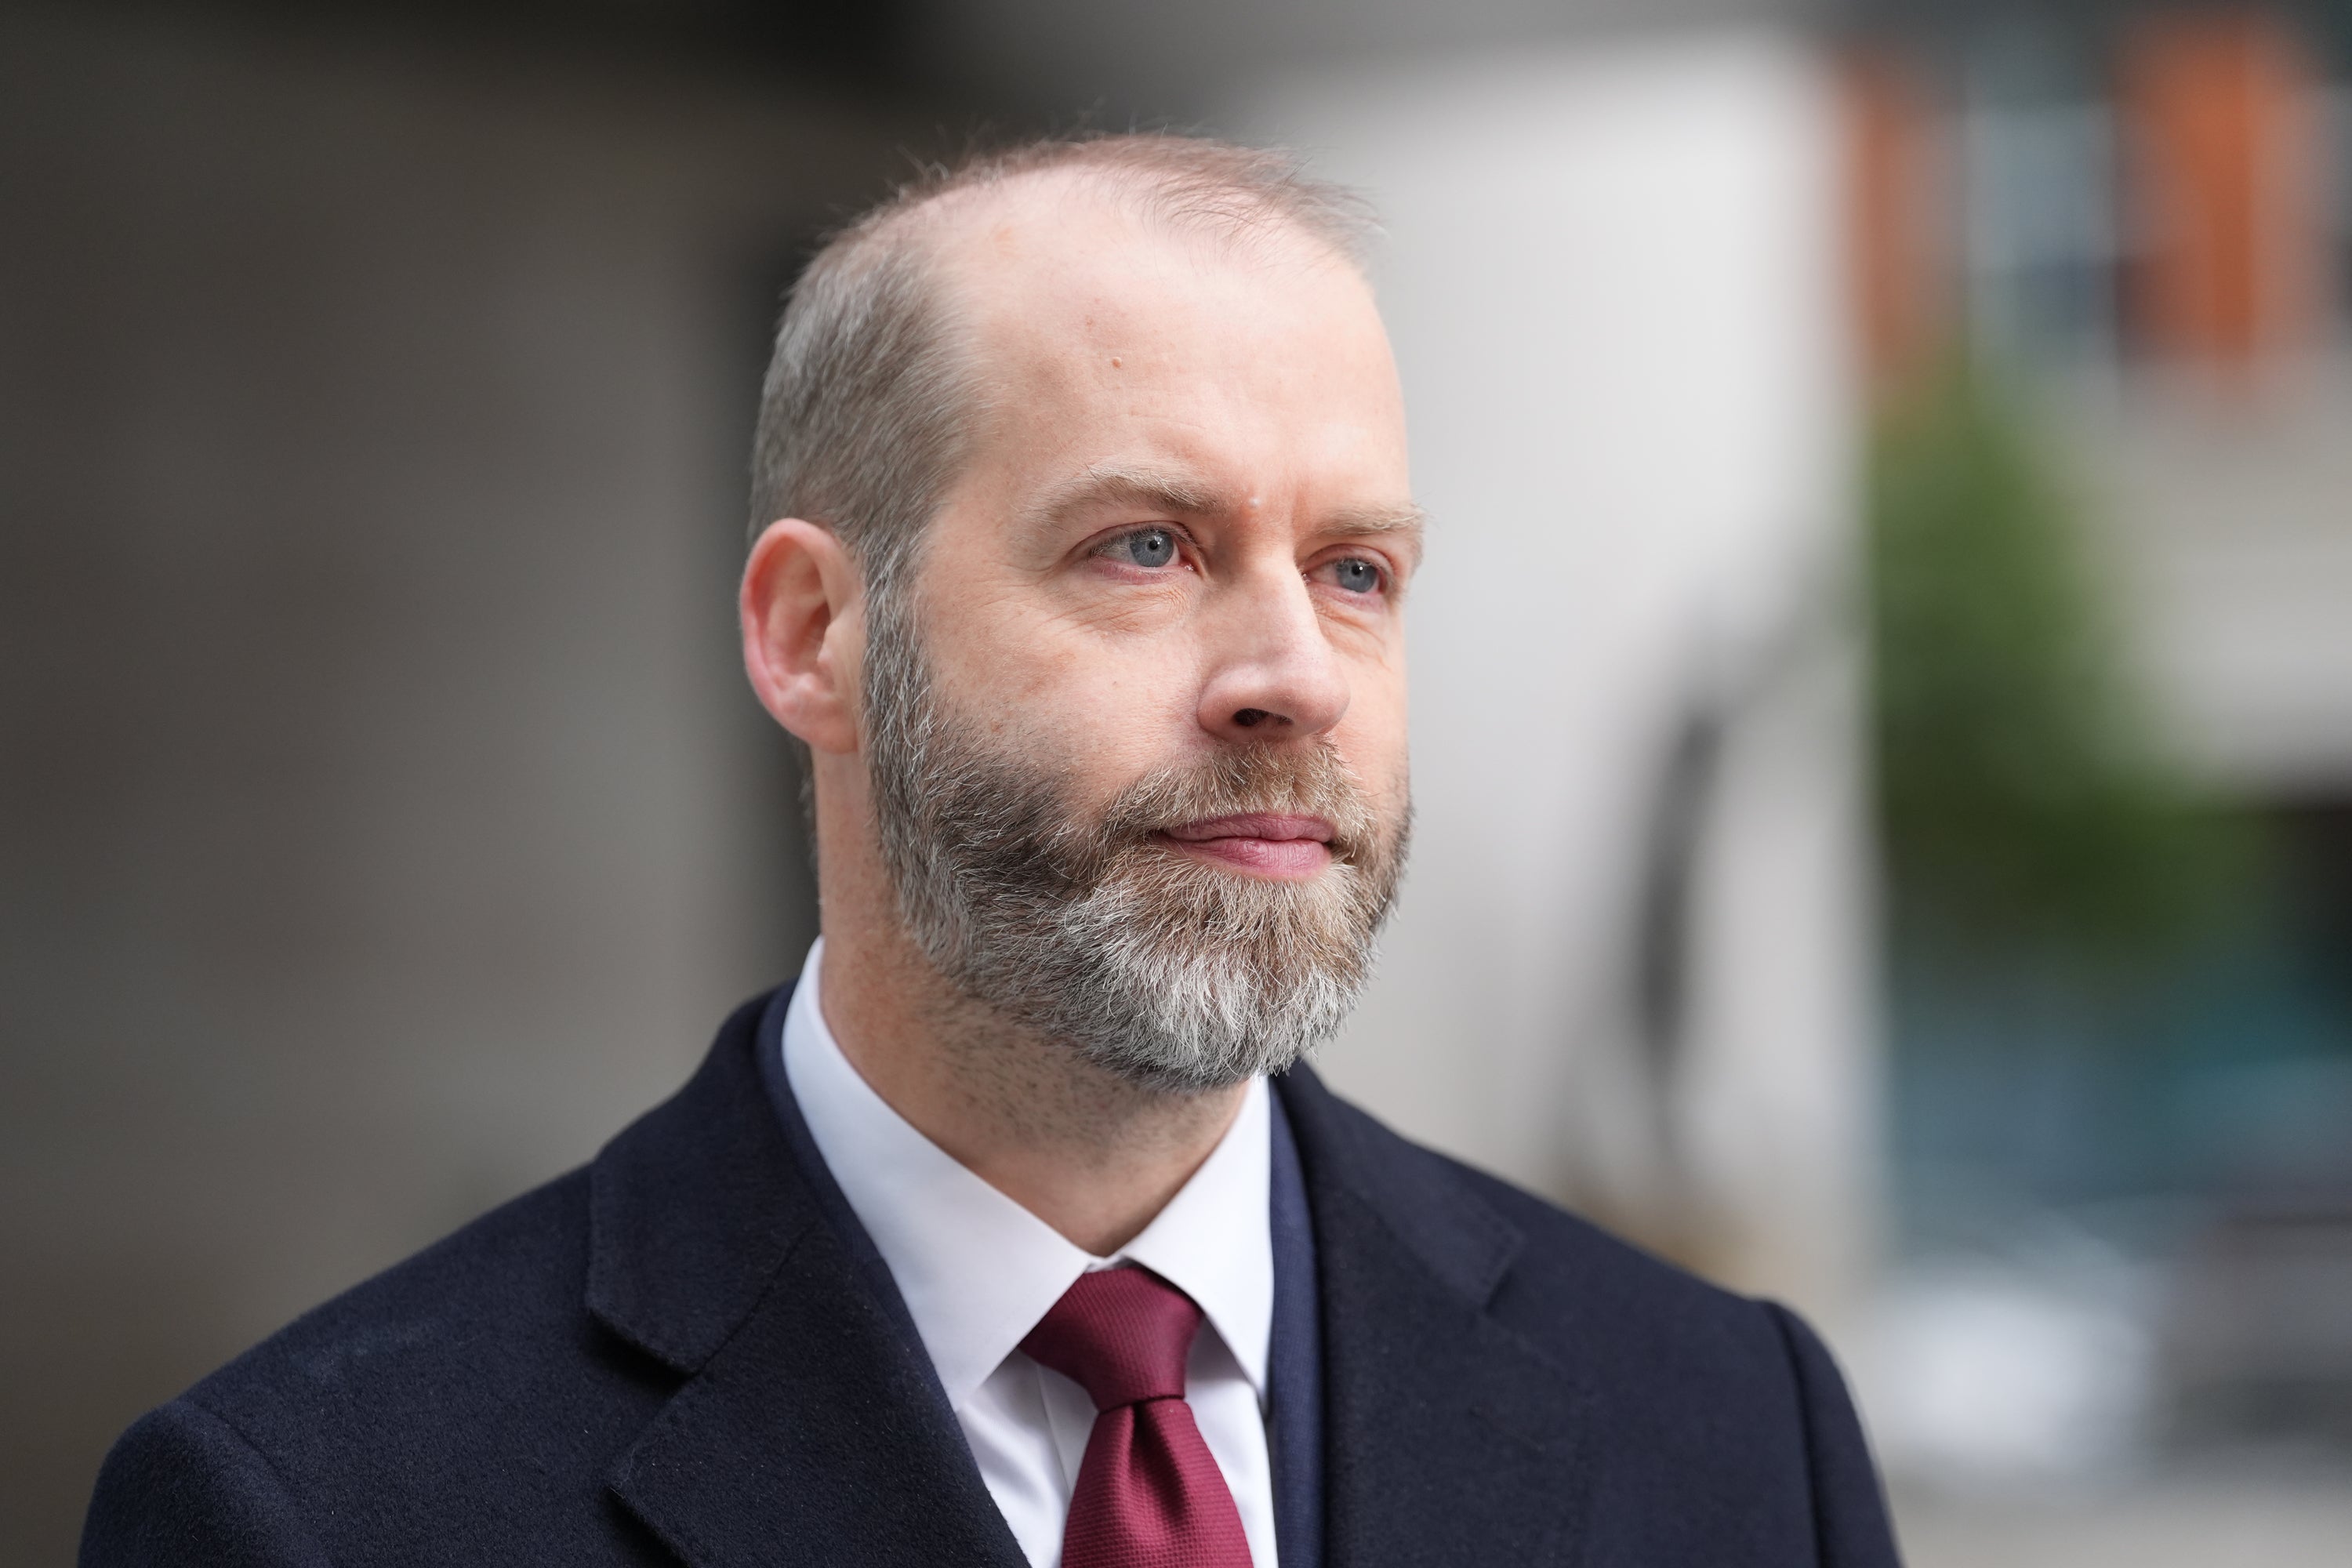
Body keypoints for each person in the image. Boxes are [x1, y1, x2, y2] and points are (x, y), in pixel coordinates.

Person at [81, 133, 1901, 1567]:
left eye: (1357, 571)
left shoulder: (1735, 1433)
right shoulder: (314, 1512)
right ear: (813, 634)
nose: (1292, 677)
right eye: (1145, 547)